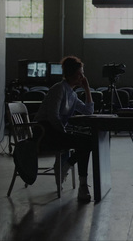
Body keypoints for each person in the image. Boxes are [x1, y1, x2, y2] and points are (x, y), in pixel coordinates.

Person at [35, 56, 94, 202]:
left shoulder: (72, 94)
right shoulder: (59, 89)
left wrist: (87, 89)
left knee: (89, 140)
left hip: (57, 131)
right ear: (71, 74)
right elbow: (52, 116)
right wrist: (65, 132)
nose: (82, 77)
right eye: (80, 74)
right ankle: (82, 184)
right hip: (45, 132)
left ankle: (68, 167)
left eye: (82, 73)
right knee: (86, 142)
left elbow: (88, 111)